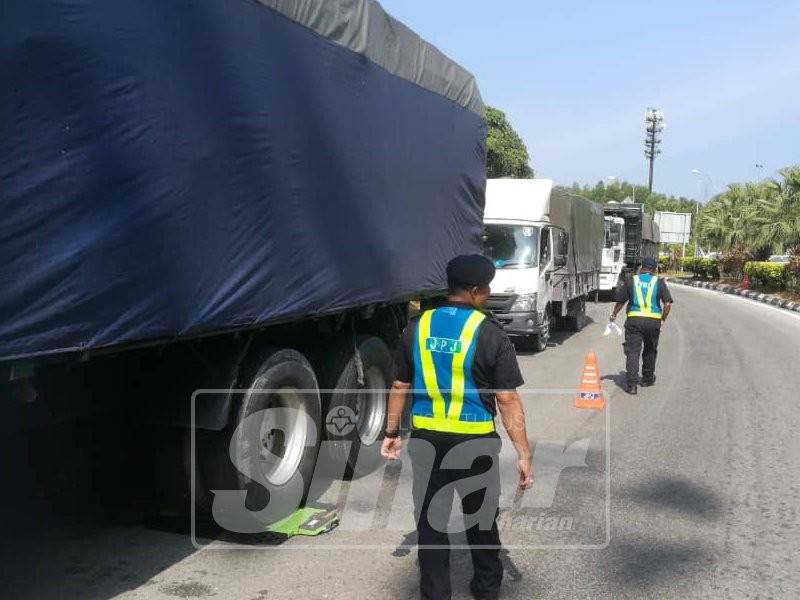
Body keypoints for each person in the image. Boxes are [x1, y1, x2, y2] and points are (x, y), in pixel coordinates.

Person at [381, 254, 533, 600]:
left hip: (426, 442)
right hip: (474, 444)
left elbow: (400, 386)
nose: (488, 295)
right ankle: (485, 590)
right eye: (487, 289)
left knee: (431, 525)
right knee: (480, 522)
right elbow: (507, 399)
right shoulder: (490, 332)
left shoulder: (416, 326)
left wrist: (391, 433)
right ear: (477, 291)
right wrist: (524, 453)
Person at [609, 256, 674, 394]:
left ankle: (632, 385)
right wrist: (662, 320)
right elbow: (667, 304)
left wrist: (614, 315)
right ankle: (647, 379)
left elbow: (621, 302)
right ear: (654, 269)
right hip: (653, 322)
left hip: (634, 320)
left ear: (642, 267)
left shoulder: (632, 280)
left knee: (633, 351)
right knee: (650, 350)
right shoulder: (659, 282)